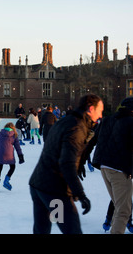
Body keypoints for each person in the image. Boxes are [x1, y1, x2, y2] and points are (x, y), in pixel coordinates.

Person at [29, 94, 103, 234]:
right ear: (91, 109)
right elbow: (66, 163)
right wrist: (80, 194)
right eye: (100, 111)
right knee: (71, 230)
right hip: (54, 192)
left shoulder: (66, 121)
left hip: (38, 185)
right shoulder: (77, 127)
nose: (100, 116)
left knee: (42, 230)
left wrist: (79, 165)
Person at [91, 97, 133, 234]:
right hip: (119, 169)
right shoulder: (129, 122)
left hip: (105, 167)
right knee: (124, 210)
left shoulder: (110, 119)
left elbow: (94, 138)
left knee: (119, 206)